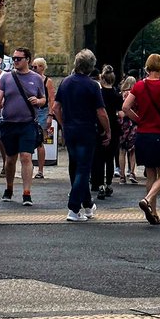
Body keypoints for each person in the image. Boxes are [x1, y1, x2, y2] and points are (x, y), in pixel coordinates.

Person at [52, 48, 110, 221]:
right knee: (84, 169)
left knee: (75, 166)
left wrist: (63, 124)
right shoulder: (93, 85)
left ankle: (88, 205)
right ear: (91, 67)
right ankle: (73, 208)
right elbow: (101, 112)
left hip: (70, 130)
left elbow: (55, 108)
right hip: (86, 130)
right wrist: (108, 130)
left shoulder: (65, 82)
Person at [122, 53, 160, 224]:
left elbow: (125, 106)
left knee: (151, 174)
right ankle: (147, 200)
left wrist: (138, 119)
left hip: (143, 135)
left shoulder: (139, 86)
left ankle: (153, 213)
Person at [0, 47, 45, 206]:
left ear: (28, 60)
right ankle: (9, 188)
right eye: (14, 58)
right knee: (10, 159)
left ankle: (26, 193)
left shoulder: (36, 78)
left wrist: (38, 102)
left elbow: (44, 99)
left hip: (27, 123)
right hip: (9, 123)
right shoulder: (6, 77)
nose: (15, 61)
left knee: (26, 156)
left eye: (19, 58)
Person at [91, 67, 123, 200]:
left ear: (102, 78)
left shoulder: (98, 93)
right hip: (114, 128)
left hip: (100, 127)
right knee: (110, 158)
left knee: (98, 158)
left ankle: (99, 185)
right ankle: (109, 183)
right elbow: (121, 113)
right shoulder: (117, 95)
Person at [32, 56, 55, 179]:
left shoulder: (47, 81)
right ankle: (29, 167)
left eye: (37, 66)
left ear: (42, 67)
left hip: (43, 111)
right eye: (33, 66)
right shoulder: (30, 79)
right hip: (31, 111)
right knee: (30, 140)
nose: (35, 68)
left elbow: (52, 99)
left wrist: (50, 115)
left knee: (40, 140)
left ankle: (40, 170)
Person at [118, 75, 139, 185]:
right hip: (134, 122)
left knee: (122, 150)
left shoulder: (121, 94)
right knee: (132, 150)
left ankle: (122, 176)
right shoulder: (135, 94)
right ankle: (132, 172)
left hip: (123, 123)